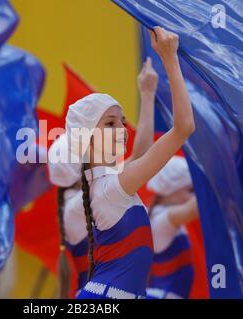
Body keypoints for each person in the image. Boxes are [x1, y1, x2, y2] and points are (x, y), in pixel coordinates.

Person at [66, 26, 195, 299]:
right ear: (87, 137)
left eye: (122, 122)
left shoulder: (107, 185)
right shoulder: (112, 187)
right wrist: (170, 59)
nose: (123, 129)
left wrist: (147, 94)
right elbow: (183, 127)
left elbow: (140, 154)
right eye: (111, 123)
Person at [48, 56, 158, 298]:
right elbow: (141, 155)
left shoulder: (88, 194)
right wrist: (147, 95)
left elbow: (139, 156)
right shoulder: (86, 200)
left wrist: (148, 95)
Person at [146, 156, 199, 299]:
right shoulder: (161, 220)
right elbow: (196, 207)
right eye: (191, 190)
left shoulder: (158, 215)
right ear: (171, 190)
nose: (194, 195)